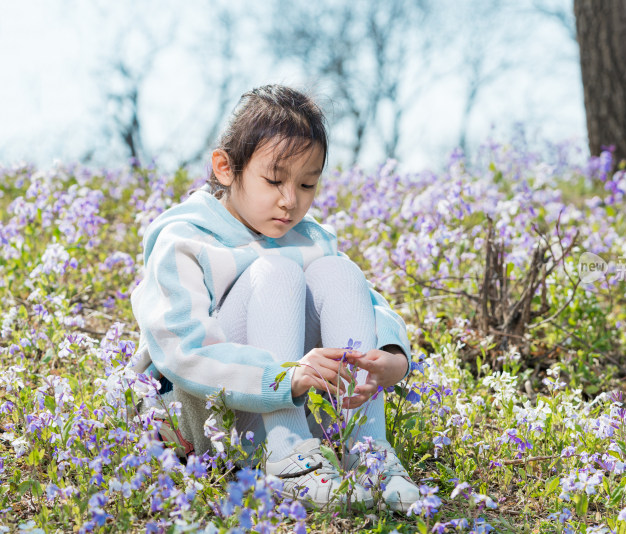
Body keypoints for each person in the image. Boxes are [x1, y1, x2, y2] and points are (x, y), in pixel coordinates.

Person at [128, 84, 420, 511]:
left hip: (301, 413)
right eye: (274, 180)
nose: (290, 201)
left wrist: (393, 357)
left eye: (307, 184)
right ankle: (288, 461)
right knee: (278, 269)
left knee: (340, 270)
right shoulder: (184, 240)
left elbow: (370, 306)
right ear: (226, 168)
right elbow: (183, 351)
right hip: (211, 419)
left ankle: (370, 455)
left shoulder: (311, 239)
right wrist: (283, 379)